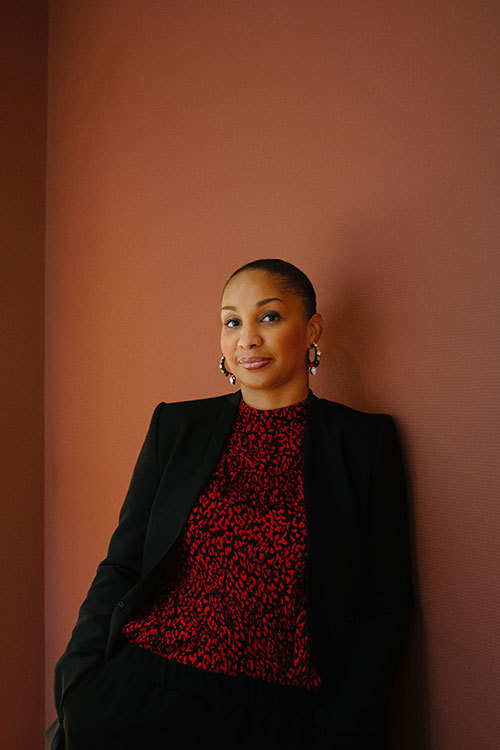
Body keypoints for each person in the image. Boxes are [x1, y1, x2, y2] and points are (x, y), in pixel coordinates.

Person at [45, 258, 414, 750]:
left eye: (269, 317)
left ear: (312, 329)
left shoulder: (364, 443)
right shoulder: (176, 428)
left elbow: (384, 604)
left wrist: (339, 729)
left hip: (276, 717)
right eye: (232, 322)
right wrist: (77, 685)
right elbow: (123, 565)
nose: (247, 339)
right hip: (135, 697)